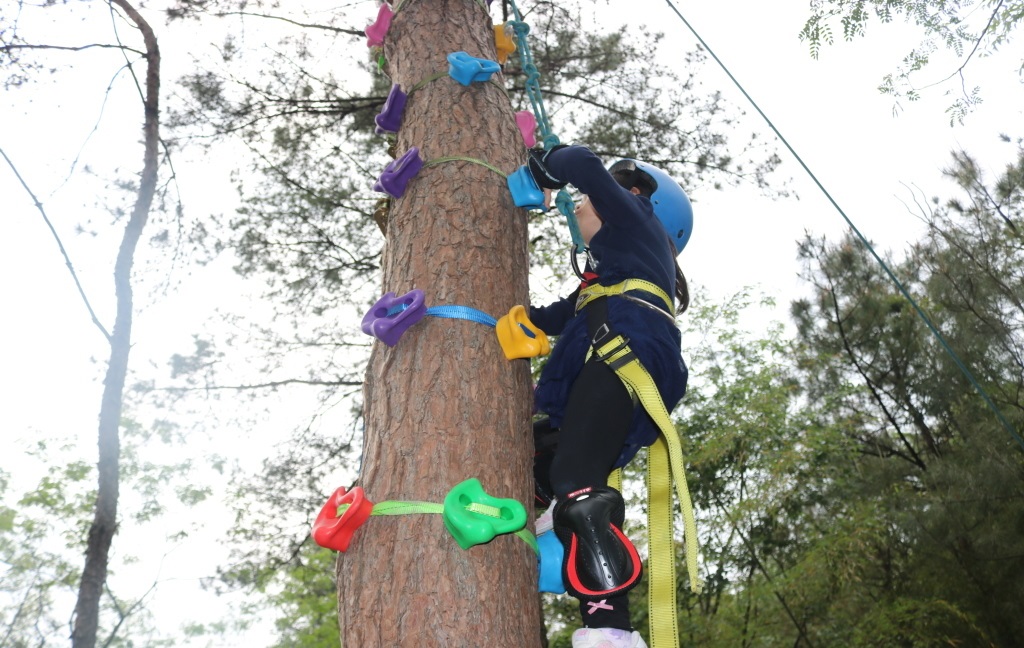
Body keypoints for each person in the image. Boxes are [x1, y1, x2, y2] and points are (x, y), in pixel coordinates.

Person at [522, 144, 692, 648]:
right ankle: (540, 510)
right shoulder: (608, 278)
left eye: (597, 197)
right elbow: (553, 317)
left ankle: (611, 634)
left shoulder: (637, 219)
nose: (580, 202)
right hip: (619, 356)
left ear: (637, 196)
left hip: (625, 350)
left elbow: (581, 165)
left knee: (577, 481)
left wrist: (544, 166)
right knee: (548, 461)